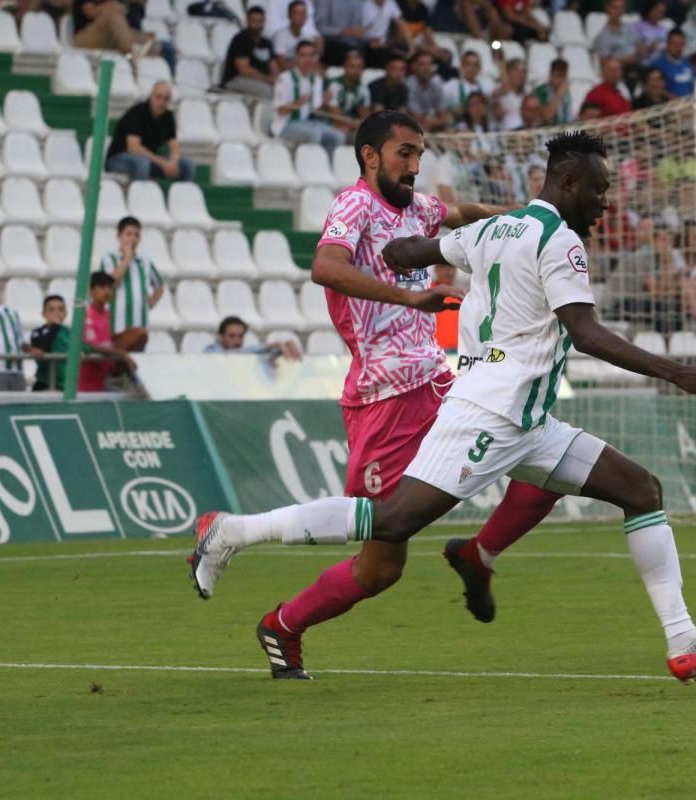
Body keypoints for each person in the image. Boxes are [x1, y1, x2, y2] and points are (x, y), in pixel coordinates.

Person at [189, 130, 696, 683]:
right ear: (569, 183)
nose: (605, 204)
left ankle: (681, 637)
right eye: (599, 191)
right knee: (391, 523)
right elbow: (584, 333)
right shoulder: (560, 241)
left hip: (526, 419)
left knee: (640, 489)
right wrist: (676, 370)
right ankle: (233, 531)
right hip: (490, 411)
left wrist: (404, 249)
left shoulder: (493, 230)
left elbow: (409, 249)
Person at [189, 111, 570, 672]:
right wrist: (407, 298)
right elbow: (325, 266)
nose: (414, 166)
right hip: (385, 395)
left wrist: (531, 222)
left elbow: (463, 213)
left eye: (419, 155)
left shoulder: (418, 209)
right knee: (381, 563)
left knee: (545, 465)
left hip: (438, 381)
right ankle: (259, 582)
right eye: (404, 154)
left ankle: (476, 555)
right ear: (371, 156)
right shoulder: (354, 205)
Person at [96, 216, 164, 354]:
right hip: (116, 324)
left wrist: (152, 301)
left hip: (140, 321)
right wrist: (127, 258)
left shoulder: (144, 261)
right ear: (119, 236)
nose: (132, 238)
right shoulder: (110, 258)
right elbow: (109, 282)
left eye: (136, 235)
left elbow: (159, 285)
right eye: (128, 234)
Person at [105, 82, 195, 182]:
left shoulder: (168, 116)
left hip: (149, 160)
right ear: (151, 96)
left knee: (187, 165)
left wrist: (172, 163)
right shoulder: (137, 113)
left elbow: (175, 146)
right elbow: (134, 148)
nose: (162, 102)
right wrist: (163, 163)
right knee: (142, 164)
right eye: (158, 97)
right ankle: (141, 196)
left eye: (166, 98)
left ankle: (178, 196)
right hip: (119, 159)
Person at [272, 40, 345, 147]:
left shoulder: (316, 80)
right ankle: (311, 163)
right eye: (303, 55)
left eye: (311, 55)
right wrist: (297, 104)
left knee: (338, 136)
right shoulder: (284, 78)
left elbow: (315, 109)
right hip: (284, 124)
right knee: (315, 135)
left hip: (307, 122)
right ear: (296, 57)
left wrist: (325, 101)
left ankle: (327, 162)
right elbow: (280, 110)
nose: (307, 59)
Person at [79, 272, 138, 392]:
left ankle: (119, 375)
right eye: (102, 288)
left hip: (106, 375)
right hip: (89, 383)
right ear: (91, 291)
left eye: (110, 288)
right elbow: (91, 347)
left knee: (140, 334)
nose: (107, 292)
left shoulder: (108, 315)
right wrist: (121, 353)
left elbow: (109, 340)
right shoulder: (85, 314)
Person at [221, 6, 279, 98]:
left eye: (260, 21)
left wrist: (275, 78)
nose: (257, 25)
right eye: (254, 21)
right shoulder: (240, 39)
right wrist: (266, 79)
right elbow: (244, 69)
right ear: (247, 21)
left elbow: (273, 66)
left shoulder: (266, 43)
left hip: (261, 80)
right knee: (268, 92)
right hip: (237, 79)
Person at [72, 0, 158, 60]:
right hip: (86, 38)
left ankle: (135, 51)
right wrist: (110, 6)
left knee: (151, 41)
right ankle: (131, 51)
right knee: (113, 16)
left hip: (112, 38)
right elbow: (89, 12)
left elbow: (124, 9)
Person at [324, 49, 373, 140]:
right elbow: (336, 118)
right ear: (345, 67)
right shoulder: (335, 86)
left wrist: (358, 124)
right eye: (352, 66)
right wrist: (356, 124)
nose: (356, 70)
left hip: (349, 125)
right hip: (328, 123)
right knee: (341, 135)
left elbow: (366, 117)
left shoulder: (363, 89)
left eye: (359, 67)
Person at [206, 316, 304, 360]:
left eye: (241, 336)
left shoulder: (245, 353)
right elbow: (228, 356)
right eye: (232, 336)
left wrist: (280, 349)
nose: (237, 340)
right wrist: (269, 346)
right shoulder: (211, 351)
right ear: (221, 336)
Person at [29, 294, 69, 391]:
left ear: (65, 313)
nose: (57, 313)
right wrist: (55, 327)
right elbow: (42, 348)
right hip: (44, 385)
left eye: (60, 309)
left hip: (65, 387)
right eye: (52, 310)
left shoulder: (70, 333)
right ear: (44, 314)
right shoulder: (38, 332)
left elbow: (87, 347)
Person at [405, 49, 450, 132]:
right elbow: (417, 117)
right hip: (411, 125)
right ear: (414, 67)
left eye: (429, 64)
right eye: (422, 65)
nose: (426, 68)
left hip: (430, 122)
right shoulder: (409, 84)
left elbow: (444, 115)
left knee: (448, 128)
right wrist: (437, 121)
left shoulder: (436, 82)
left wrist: (436, 121)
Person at [272, 0, 322, 71]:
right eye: (297, 13)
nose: (300, 17)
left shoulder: (308, 37)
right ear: (289, 16)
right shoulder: (280, 36)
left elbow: (313, 62)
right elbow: (282, 65)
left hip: (304, 71)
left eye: (303, 13)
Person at [444, 50, 494, 117]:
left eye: (476, 65)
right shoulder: (451, 85)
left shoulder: (485, 86)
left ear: (480, 68)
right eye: (468, 64)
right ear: (461, 66)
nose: (472, 68)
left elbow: (504, 90)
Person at [651, 29, 695, 98]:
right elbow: (656, 88)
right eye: (674, 44)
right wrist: (675, 99)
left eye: (681, 44)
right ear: (667, 44)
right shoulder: (659, 64)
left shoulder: (687, 62)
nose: (678, 47)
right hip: (671, 104)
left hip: (690, 102)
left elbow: (692, 83)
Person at [531, 58, 572, 127]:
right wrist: (558, 95)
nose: (561, 79)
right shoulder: (541, 91)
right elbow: (547, 116)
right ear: (551, 75)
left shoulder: (566, 93)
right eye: (558, 75)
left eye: (563, 76)